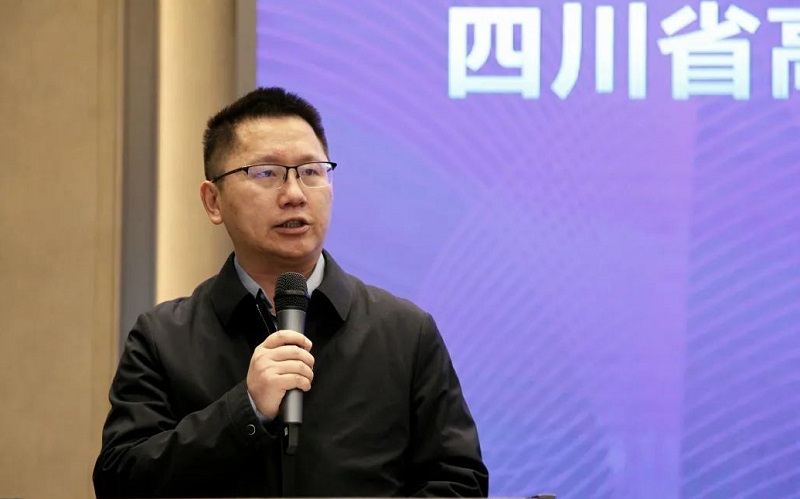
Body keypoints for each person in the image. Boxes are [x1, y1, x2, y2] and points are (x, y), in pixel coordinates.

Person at [93, 87, 489, 498]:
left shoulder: (405, 334)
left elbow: (460, 483)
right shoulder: (163, 339)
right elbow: (120, 482)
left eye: (312, 171)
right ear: (213, 201)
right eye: (266, 173)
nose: (295, 194)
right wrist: (245, 410)